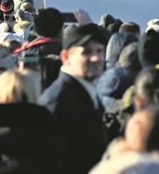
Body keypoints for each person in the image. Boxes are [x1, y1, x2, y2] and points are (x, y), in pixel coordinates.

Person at [39, 23, 109, 174]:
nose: (96, 58)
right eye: (86, 52)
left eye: (100, 51)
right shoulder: (58, 99)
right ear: (65, 57)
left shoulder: (82, 91)